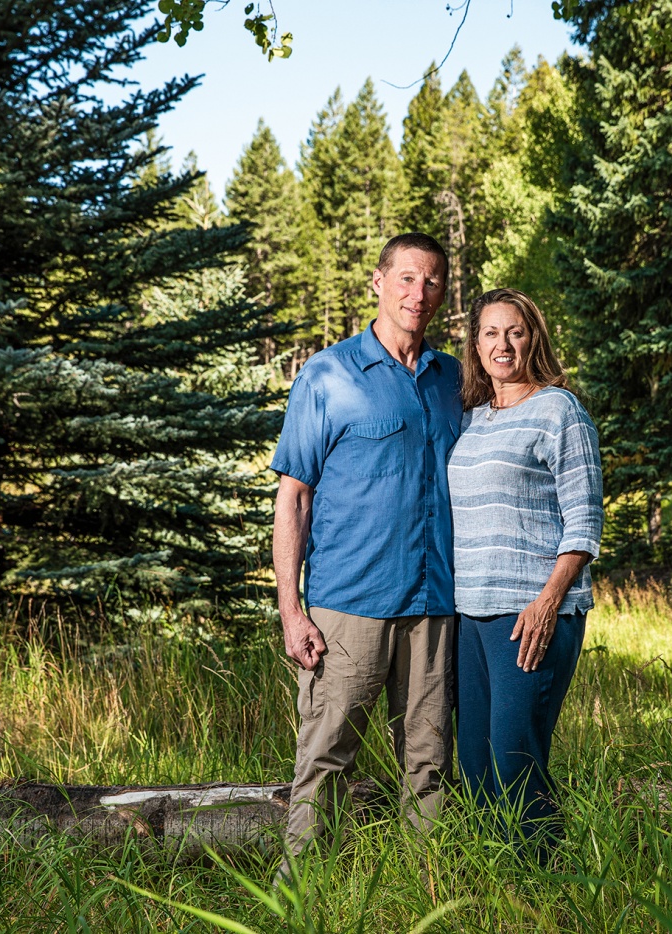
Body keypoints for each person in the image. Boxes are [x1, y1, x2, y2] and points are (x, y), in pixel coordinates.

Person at [270, 232, 461, 863]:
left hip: (435, 602)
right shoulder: (327, 375)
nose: (419, 293)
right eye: (406, 278)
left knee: (429, 761)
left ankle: (425, 888)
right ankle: (300, 897)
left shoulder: (453, 379)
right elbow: (293, 498)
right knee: (326, 759)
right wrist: (292, 611)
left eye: (432, 280)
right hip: (348, 605)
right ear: (378, 283)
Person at [448, 287, 603, 851]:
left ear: (532, 336)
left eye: (514, 331)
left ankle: (548, 883)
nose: (502, 344)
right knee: (474, 766)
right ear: (476, 345)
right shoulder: (471, 418)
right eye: (490, 333)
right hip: (470, 615)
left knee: (515, 760)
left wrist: (546, 603)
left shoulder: (559, 410)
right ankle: (500, 890)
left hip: (532, 612)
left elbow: (584, 525)